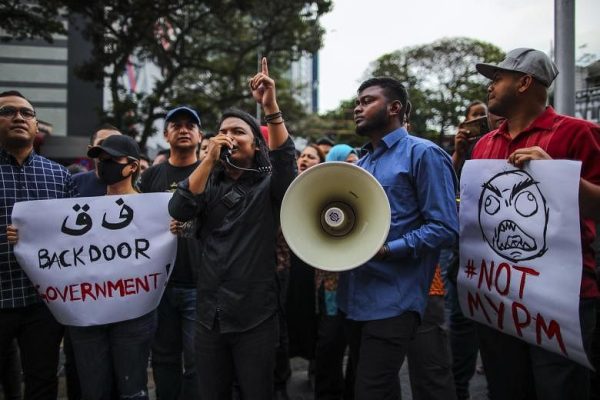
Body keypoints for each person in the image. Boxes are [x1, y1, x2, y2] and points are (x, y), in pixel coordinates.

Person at [471, 47, 600, 399]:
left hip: (561, 298)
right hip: (499, 296)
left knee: (559, 390)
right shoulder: (484, 144)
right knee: (506, 389)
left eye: (498, 78)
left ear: (525, 82)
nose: (490, 86)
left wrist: (555, 173)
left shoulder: (578, 133)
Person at [168, 58, 296, 400]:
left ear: (256, 144)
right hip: (209, 317)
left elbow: (286, 162)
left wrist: (270, 107)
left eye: (238, 131)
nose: (229, 136)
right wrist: (208, 159)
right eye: (223, 131)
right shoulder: (207, 184)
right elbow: (179, 208)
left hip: (256, 317)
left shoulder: (269, 186)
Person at [338, 77, 459, 400]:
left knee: (371, 390)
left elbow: (445, 227)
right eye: (357, 101)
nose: (357, 107)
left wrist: (388, 250)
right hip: (354, 301)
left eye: (367, 101)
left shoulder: (424, 154)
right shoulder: (361, 164)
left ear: (394, 108)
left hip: (395, 301)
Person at [0, 90, 78, 398]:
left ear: (36, 125)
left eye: (26, 113)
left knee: (42, 380)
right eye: (8, 111)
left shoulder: (60, 176)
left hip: (43, 303)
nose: (19, 117)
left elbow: (76, 237)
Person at [68, 134, 157, 399]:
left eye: (111, 159)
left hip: (134, 318)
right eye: (100, 159)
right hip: (89, 316)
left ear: (132, 166)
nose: (103, 164)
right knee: (94, 391)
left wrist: (175, 228)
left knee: (132, 390)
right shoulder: (78, 210)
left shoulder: (154, 210)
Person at [138, 105, 203, 399]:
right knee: (163, 359)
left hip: (199, 284)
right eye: (176, 125)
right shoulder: (150, 177)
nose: (184, 129)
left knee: (196, 362)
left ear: (200, 135)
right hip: (158, 286)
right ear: (166, 135)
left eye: (191, 125)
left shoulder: (211, 174)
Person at [313, 143, 358, 400]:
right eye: (346, 161)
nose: (353, 166)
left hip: (357, 284)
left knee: (357, 346)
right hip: (330, 285)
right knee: (330, 343)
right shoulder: (322, 192)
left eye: (355, 161)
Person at [72, 125, 122, 196]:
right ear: (90, 150)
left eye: (117, 144)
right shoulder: (73, 183)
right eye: (102, 143)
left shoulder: (138, 184)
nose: (110, 149)